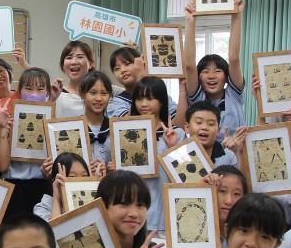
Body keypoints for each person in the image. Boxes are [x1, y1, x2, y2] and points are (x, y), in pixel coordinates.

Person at [0, 67, 58, 218]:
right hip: (13, 188)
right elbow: (1, 166)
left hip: (42, 187)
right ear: (20, 91)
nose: (34, 93)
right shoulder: (9, 121)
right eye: (28, 88)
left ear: (47, 93)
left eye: (40, 89)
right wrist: (3, 129)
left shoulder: (55, 124)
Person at [123, 76, 181, 232]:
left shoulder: (177, 134)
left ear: (161, 101)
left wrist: (172, 148)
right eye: (139, 99)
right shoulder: (125, 133)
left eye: (150, 99)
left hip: (164, 216)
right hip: (133, 216)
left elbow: (185, 177)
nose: (143, 104)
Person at [183, 0, 245, 139]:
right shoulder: (198, 98)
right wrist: (190, 21)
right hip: (204, 152)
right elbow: (189, 66)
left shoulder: (234, 94)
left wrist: (236, 14)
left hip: (236, 152)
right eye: (205, 72)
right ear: (199, 78)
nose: (211, 76)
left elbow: (234, 58)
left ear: (226, 77)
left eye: (218, 71)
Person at [106, 47, 179, 124]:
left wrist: (182, 87)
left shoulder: (159, 94)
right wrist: (140, 78)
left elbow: (178, 123)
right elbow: (127, 125)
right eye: (117, 68)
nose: (122, 70)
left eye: (127, 64)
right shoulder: (115, 102)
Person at [182, 101, 243, 167]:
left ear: (218, 130)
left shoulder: (230, 156)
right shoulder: (178, 156)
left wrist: (238, 152)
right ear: (187, 127)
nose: (204, 127)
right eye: (199, 122)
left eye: (211, 124)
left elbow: (242, 173)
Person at [38, 152, 90, 221]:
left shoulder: (90, 197)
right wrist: (56, 198)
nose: (79, 182)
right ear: (55, 180)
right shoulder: (43, 208)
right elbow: (55, 227)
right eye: (72, 176)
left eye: (84, 176)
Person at [80, 70, 113, 165]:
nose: (98, 98)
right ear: (82, 94)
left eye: (104, 93)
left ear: (110, 96)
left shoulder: (115, 128)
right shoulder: (73, 128)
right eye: (93, 93)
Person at [54, 41, 96, 117]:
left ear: (90, 64)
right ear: (63, 65)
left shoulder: (102, 92)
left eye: (80, 57)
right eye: (69, 58)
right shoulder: (56, 95)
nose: (73, 62)